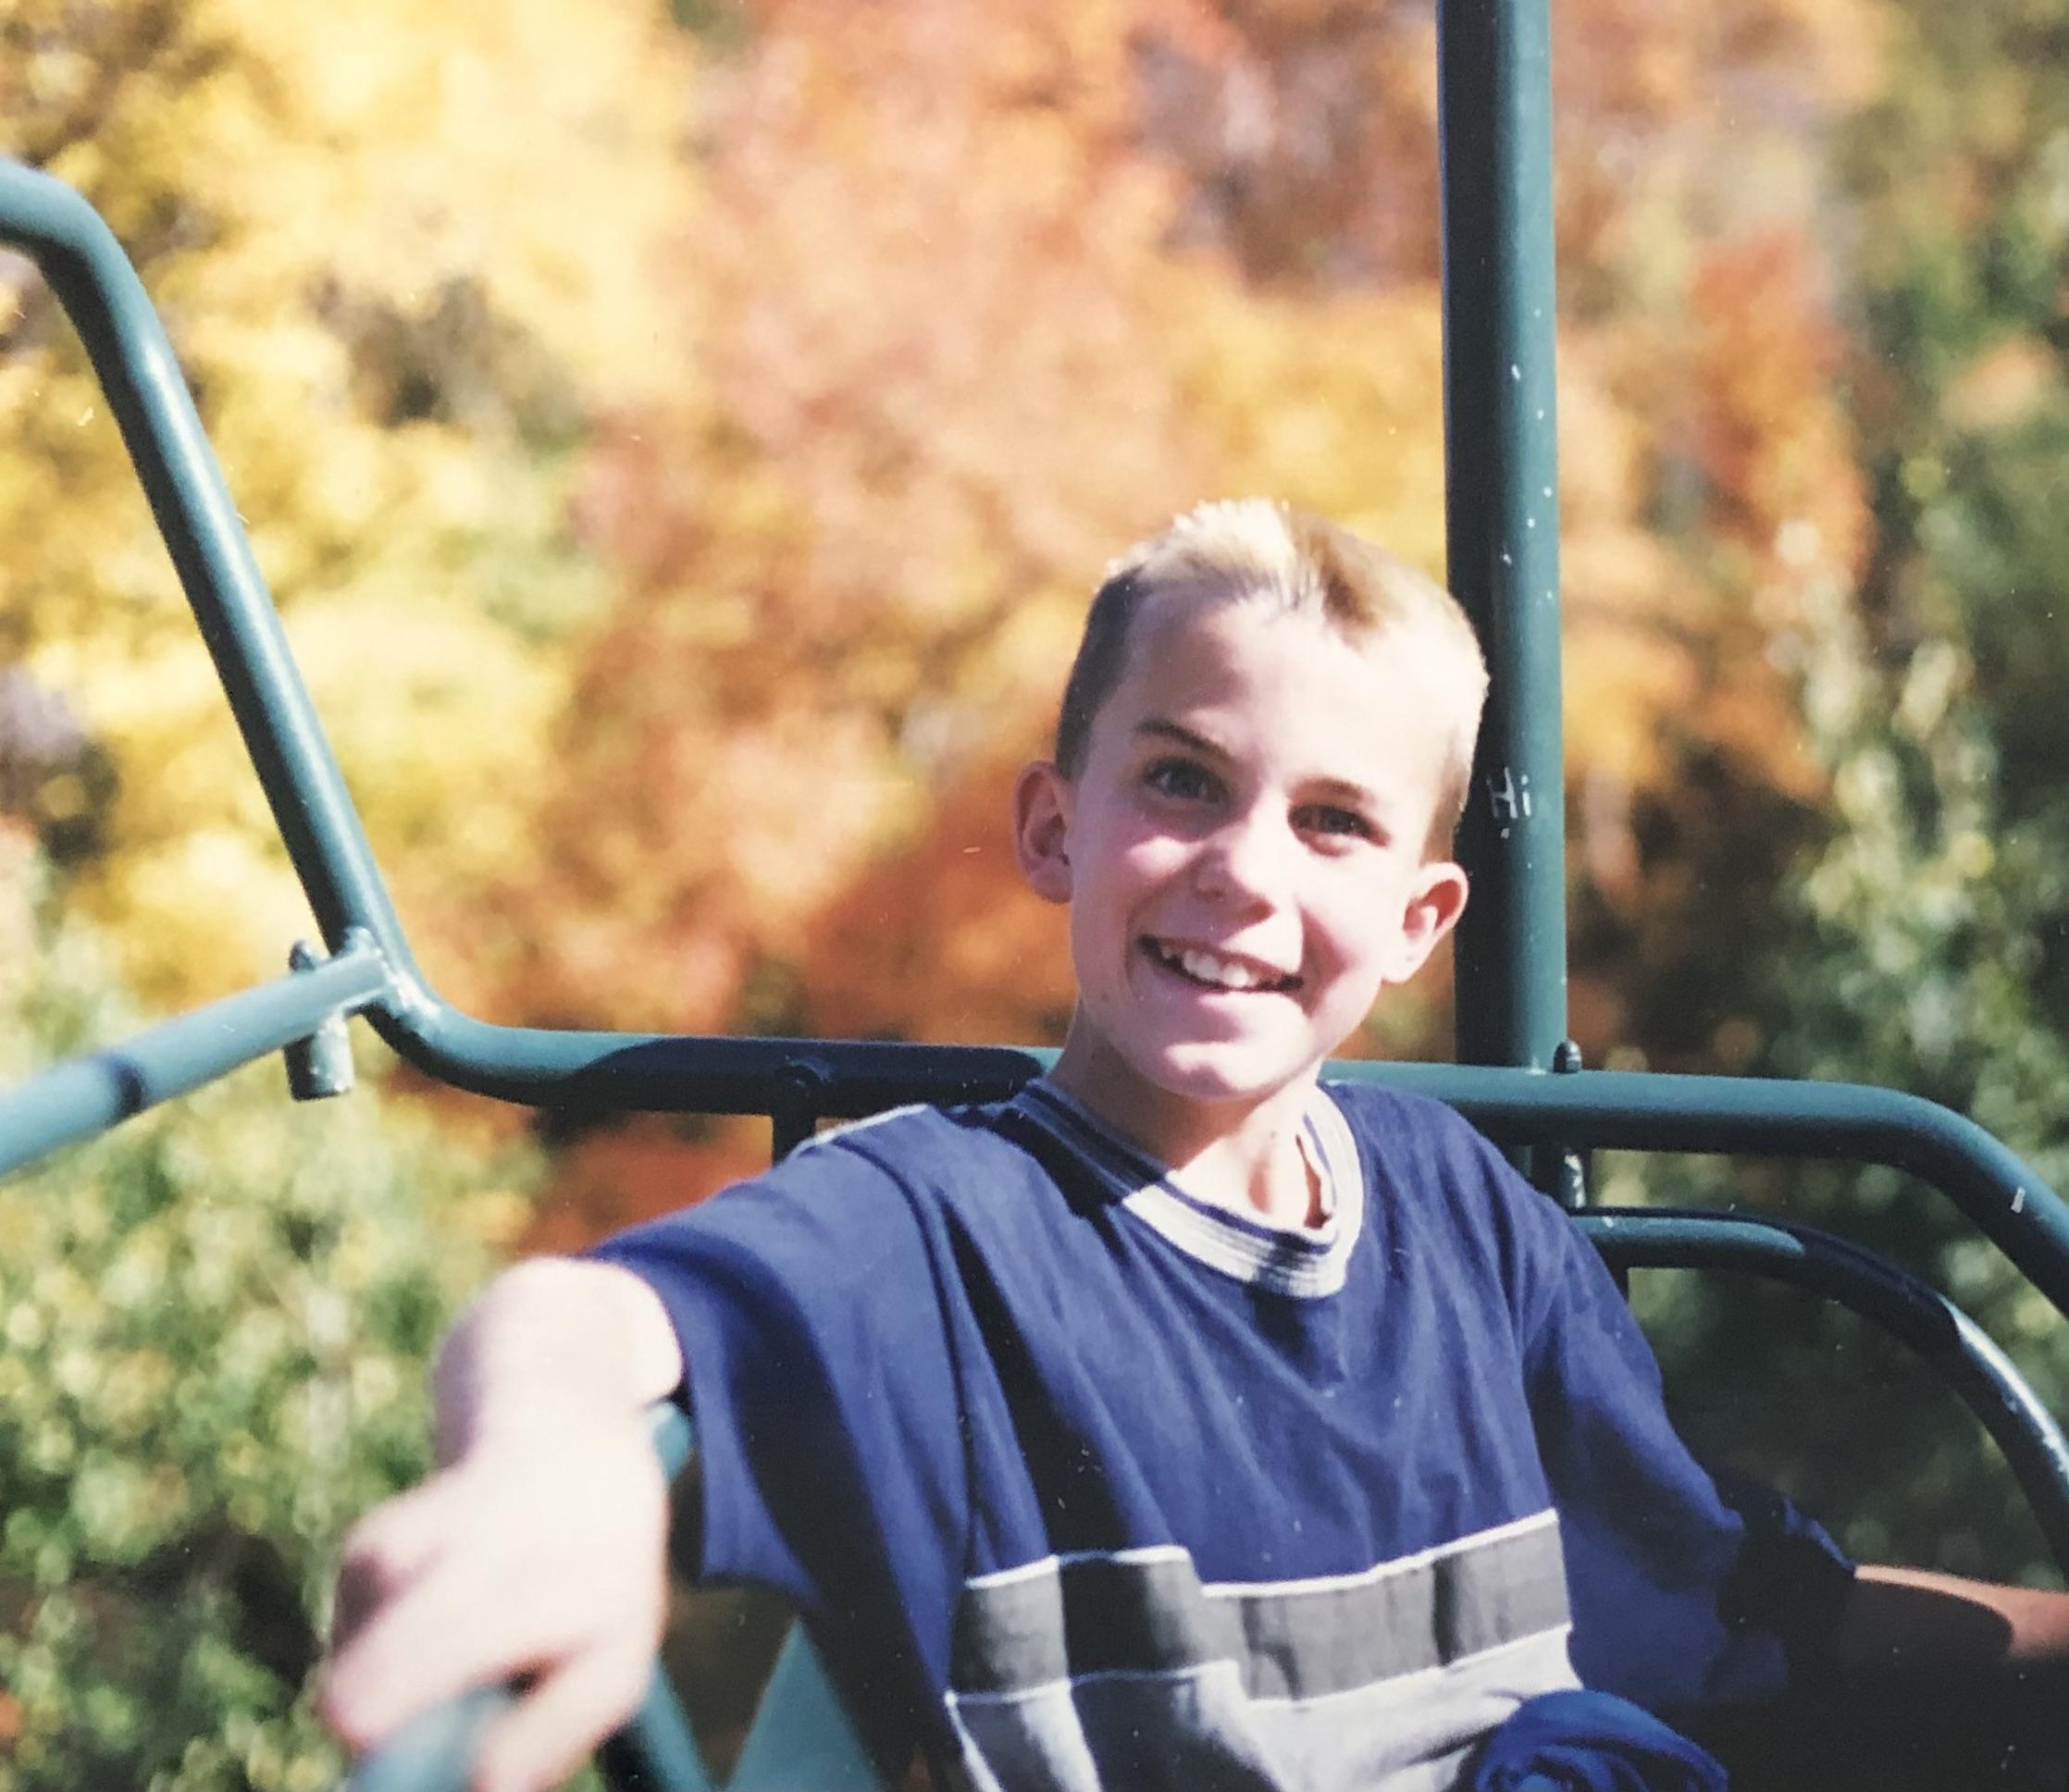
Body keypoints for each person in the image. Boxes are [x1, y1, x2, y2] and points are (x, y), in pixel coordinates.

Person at [324, 501, 2069, 1792]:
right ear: (1051, 828)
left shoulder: (1466, 1216)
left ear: (1414, 917)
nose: (1247, 867)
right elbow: (571, 1322)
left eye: (1332, 822)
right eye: (1180, 781)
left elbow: (1731, 1604)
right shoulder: (947, 1225)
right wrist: (556, 1475)